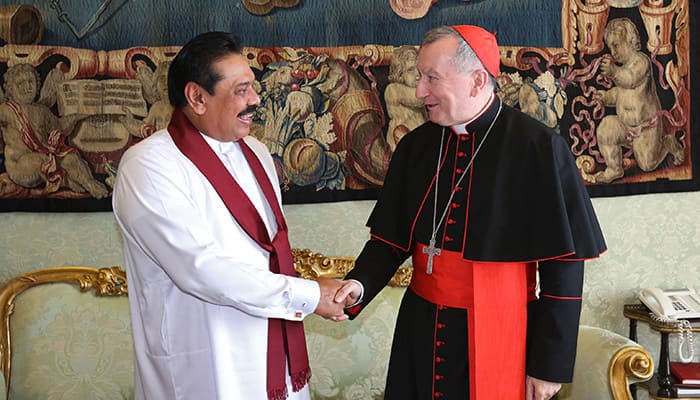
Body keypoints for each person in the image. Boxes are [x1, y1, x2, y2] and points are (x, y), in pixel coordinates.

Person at [335, 25, 607, 400]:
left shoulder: (539, 148)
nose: (419, 91)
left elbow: (564, 270)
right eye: (419, 77)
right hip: (421, 330)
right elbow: (389, 240)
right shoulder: (416, 146)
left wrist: (547, 366)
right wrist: (358, 284)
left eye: (432, 78)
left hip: (503, 329)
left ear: (477, 80)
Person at [112, 31, 347, 400]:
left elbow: (266, 254)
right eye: (240, 90)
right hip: (203, 366)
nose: (255, 100)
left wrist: (307, 295)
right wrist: (308, 295)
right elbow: (201, 269)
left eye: (252, 87)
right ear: (196, 97)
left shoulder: (256, 152)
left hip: (275, 362)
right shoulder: (148, 165)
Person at [594, 17, 684, 183]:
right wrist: (605, 97)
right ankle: (614, 168)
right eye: (610, 47)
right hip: (625, 126)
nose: (613, 52)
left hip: (646, 127)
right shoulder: (621, 69)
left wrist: (613, 72)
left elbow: (631, 79)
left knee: (647, 165)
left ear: (630, 40)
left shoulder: (641, 62)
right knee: (605, 129)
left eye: (616, 45)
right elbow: (621, 93)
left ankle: (668, 143)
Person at [0, 63, 109, 198]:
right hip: (19, 165)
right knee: (42, 162)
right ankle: (66, 181)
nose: (27, 87)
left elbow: (60, 127)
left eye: (30, 82)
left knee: (71, 158)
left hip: (44, 155)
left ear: (37, 84)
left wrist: (78, 115)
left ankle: (89, 183)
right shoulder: (6, 109)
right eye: (20, 84)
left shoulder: (42, 110)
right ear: (10, 88)